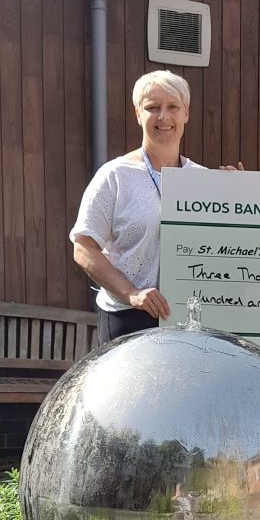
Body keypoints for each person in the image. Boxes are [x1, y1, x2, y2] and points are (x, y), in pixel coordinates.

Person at [70, 70, 202, 345]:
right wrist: (130, 292)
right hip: (128, 317)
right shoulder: (115, 176)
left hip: (188, 321)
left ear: (186, 113)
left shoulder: (203, 179)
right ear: (138, 114)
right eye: (152, 107)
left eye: (172, 107)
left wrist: (236, 190)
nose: (163, 117)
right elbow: (83, 247)